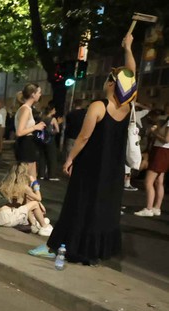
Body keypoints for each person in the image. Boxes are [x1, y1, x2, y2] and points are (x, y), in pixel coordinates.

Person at [38, 34, 136, 265]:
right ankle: (93, 252)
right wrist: (129, 48)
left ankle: (73, 248)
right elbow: (132, 74)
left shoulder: (98, 106)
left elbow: (84, 137)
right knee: (102, 209)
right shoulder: (127, 107)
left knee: (81, 205)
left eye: (107, 79)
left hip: (91, 166)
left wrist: (69, 159)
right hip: (113, 169)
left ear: (112, 83)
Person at [0, 163, 53, 235]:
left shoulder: (6, 184)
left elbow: (22, 202)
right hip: (8, 218)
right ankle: (44, 227)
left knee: (27, 201)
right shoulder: (24, 187)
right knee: (35, 204)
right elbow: (38, 198)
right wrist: (35, 184)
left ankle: (34, 224)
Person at [14, 83, 46, 190]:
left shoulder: (27, 108)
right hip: (26, 145)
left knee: (31, 180)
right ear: (33, 94)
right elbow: (19, 132)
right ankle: (29, 203)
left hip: (29, 145)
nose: (40, 95)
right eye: (39, 92)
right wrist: (35, 127)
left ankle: (32, 203)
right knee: (26, 180)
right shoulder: (25, 109)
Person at [134, 115, 168, 217]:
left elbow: (166, 139)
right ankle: (156, 207)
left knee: (148, 181)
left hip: (161, 151)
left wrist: (154, 133)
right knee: (159, 181)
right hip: (164, 151)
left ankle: (149, 208)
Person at [36, 104, 60, 181]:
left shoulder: (41, 118)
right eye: (54, 110)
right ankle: (51, 175)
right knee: (52, 157)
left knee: (42, 157)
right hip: (50, 140)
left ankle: (41, 174)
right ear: (51, 110)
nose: (55, 111)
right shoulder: (53, 119)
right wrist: (53, 132)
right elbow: (57, 130)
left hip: (41, 139)